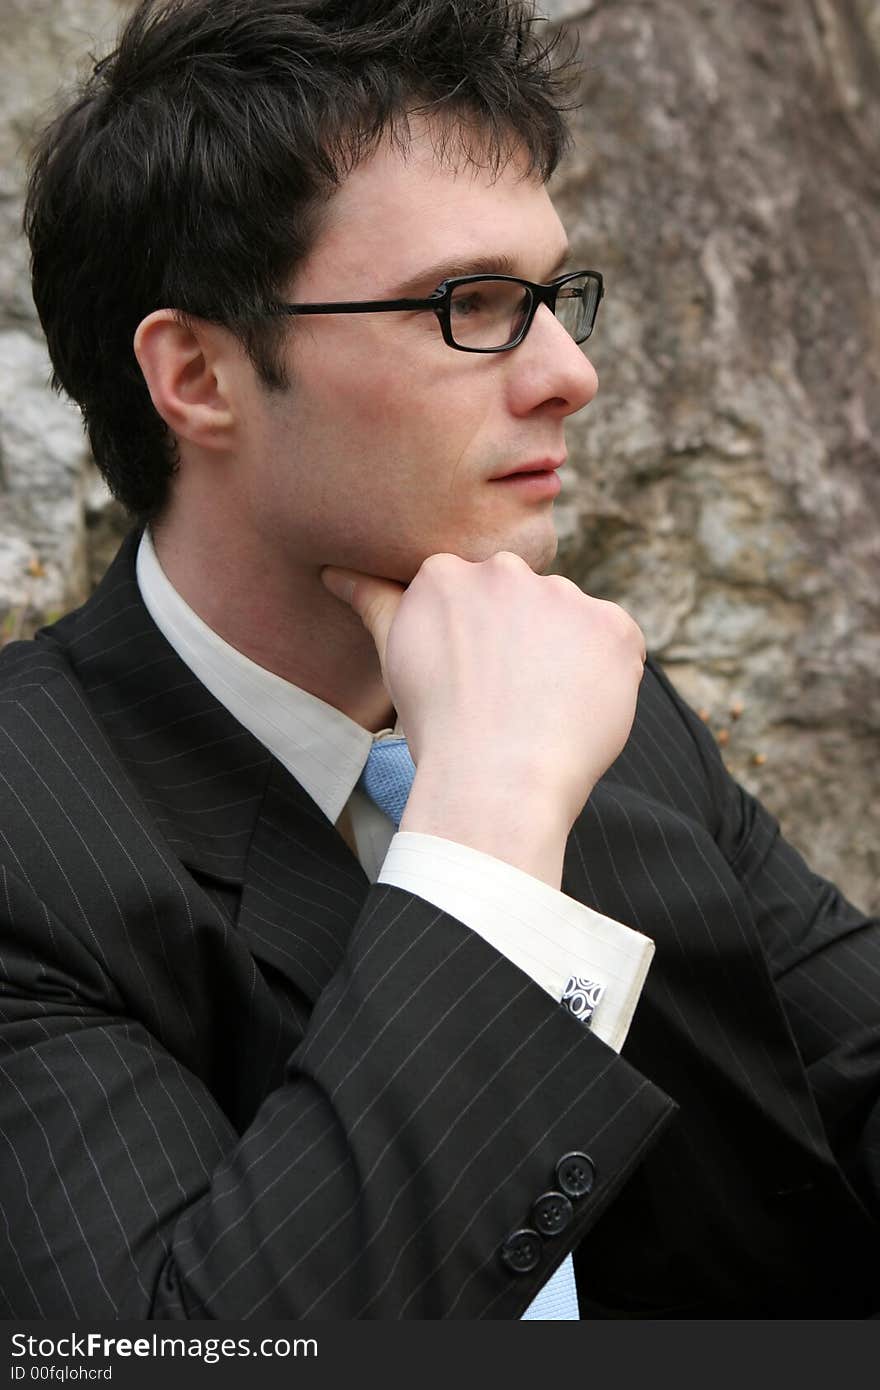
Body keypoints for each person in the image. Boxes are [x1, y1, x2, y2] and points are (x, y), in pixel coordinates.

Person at [2, 0, 876, 1319]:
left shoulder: (603, 710)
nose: (569, 372)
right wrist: (489, 831)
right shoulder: (31, 835)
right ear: (197, 375)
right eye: (471, 304)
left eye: (553, 295)